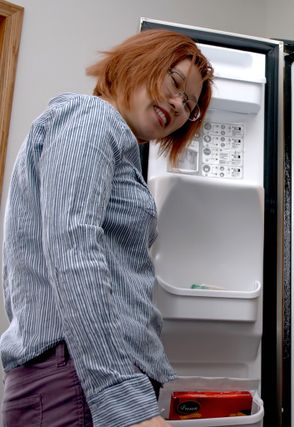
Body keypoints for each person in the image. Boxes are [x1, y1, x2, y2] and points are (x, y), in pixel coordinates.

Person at [0, 29, 213, 426]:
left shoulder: (110, 141)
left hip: (80, 378)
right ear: (139, 61)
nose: (179, 105)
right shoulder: (92, 119)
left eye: (189, 104)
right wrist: (125, 401)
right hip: (79, 382)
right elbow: (73, 251)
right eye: (176, 82)